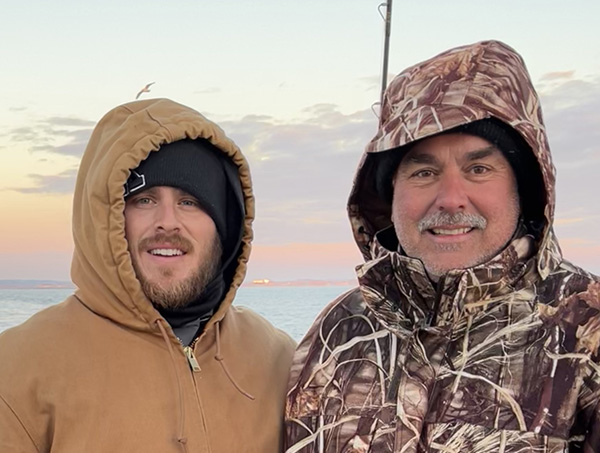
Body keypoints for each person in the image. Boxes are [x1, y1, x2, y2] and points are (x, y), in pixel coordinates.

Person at [284, 40, 600, 452]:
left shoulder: (585, 330)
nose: (451, 197)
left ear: (523, 189)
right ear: (390, 195)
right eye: (424, 172)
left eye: (479, 169)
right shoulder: (340, 330)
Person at [0, 98, 296, 452]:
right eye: (144, 199)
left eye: (190, 201)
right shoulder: (19, 368)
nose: (168, 221)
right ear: (106, 218)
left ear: (225, 225)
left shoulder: (281, 362)